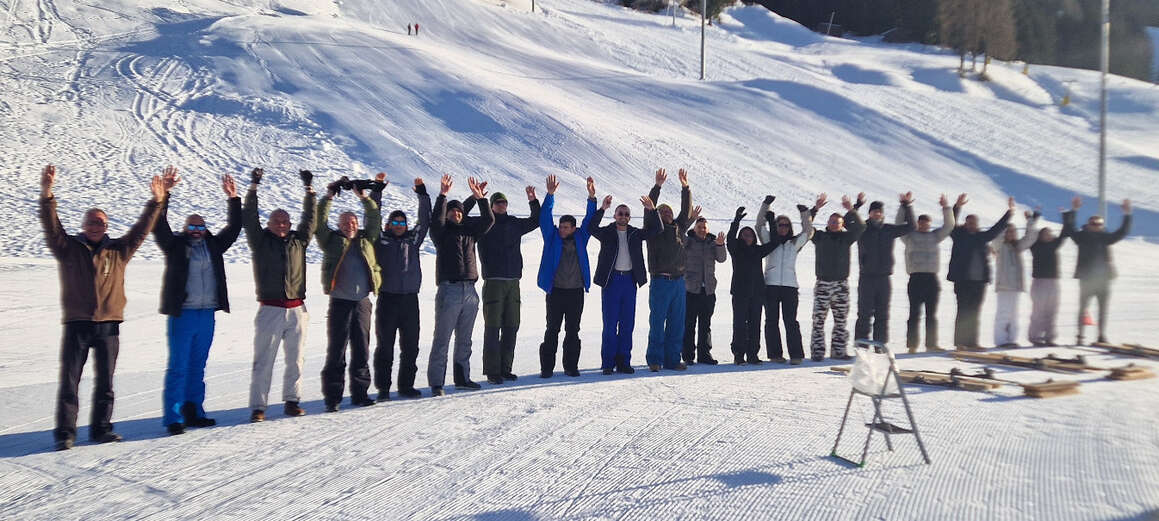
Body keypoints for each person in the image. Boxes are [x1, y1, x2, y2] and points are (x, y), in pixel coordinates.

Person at [40, 164, 165, 450]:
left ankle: (101, 429)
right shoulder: (68, 247)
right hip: (78, 323)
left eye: (101, 223)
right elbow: (51, 226)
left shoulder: (118, 251)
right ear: (83, 226)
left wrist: (156, 202)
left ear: (106, 227)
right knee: (70, 381)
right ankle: (66, 433)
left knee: (105, 383)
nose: (96, 226)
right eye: (92, 222)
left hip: (109, 324)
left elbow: (141, 230)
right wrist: (48, 194)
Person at [154, 169, 241, 435]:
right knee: (179, 366)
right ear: (185, 229)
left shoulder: (213, 245)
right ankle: (174, 417)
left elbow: (235, 228)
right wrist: (163, 196)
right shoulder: (175, 245)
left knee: (198, 366)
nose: (196, 230)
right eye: (192, 226)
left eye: (200, 226)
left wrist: (233, 198)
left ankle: (195, 411)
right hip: (183, 315)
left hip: (206, 315)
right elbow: (159, 225)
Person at [243, 168, 316, 423]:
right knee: (264, 360)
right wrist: (253, 188)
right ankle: (258, 406)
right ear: (269, 224)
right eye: (277, 221)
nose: (282, 225)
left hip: (297, 309)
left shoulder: (299, 241)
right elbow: (249, 218)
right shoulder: (260, 241)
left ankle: (292, 401)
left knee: (296, 359)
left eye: (285, 221)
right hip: (270, 309)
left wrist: (309, 191)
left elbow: (310, 219)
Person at [316, 176, 383, 411]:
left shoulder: (367, 240)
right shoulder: (331, 241)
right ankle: (333, 397)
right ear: (340, 225)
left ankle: (360, 394)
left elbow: (375, 219)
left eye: (352, 223)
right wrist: (328, 197)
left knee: (362, 350)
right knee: (337, 351)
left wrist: (364, 198)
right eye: (345, 223)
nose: (349, 226)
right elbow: (319, 222)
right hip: (340, 303)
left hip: (363, 302)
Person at [464, 184, 541, 385]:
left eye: (504, 202)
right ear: (491, 205)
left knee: (511, 326)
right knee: (492, 327)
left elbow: (536, 220)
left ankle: (506, 369)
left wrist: (533, 200)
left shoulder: (514, 223)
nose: (502, 205)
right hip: (494, 282)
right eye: (498, 202)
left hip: (513, 281)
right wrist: (474, 198)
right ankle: (492, 371)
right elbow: (460, 215)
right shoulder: (483, 223)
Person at [428, 175, 494, 395]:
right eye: (452, 211)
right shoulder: (441, 233)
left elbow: (488, 221)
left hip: (470, 291)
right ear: (447, 214)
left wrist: (480, 199)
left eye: (459, 212)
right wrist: (443, 195)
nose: (456, 214)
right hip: (450, 290)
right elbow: (435, 221)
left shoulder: (470, 233)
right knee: (442, 339)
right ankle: (437, 382)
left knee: (465, 339)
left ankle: (462, 378)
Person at [371, 175, 431, 400]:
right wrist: (377, 191)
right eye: (394, 223)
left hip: (409, 300)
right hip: (387, 299)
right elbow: (373, 217)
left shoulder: (412, 240)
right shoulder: (381, 239)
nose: (398, 226)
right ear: (388, 225)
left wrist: (422, 194)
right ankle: (384, 388)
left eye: (401, 223)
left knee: (411, 346)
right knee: (385, 346)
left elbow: (425, 221)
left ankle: (406, 385)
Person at [589, 186, 660, 374]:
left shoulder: (635, 233)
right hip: (611, 282)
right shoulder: (607, 232)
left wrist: (652, 210)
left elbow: (657, 229)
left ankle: (624, 362)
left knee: (627, 324)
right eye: (620, 213)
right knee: (610, 325)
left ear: (629, 217)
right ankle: (607, 363)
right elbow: (590, 227)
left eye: (626, 214)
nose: (623, 216)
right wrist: (602, 209)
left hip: (629, 282)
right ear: (615, 216)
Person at [537, 175, 597, 378]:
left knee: (573, 331)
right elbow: (544, 216)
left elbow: (590, 220)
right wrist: (550, 195)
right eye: (560, 226)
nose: (561, 229)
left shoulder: (581, 237)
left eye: (565, 227)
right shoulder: (551, 237)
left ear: (573, 228)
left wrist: (591, 197)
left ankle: (571, 366)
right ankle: (547, 368)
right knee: (552, 329)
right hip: (556, 292)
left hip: (575, 292)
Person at [947, 196, 1014, 350]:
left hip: (980, 282)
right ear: (965, 223)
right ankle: (960, 343)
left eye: (974, 223)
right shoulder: (958, 235)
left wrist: (1009, 212)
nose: (972, 225)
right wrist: (957, 206)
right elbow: (951, 222)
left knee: (975, 313)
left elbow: (997, 228)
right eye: (969, 222)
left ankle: (973, 342)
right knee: (963, 311)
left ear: (977, 225)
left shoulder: (981, 237)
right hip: (963, 281)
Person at [1063, 196, 1132, 345]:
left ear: (1102, 225)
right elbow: (1069, 228)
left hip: (1103, 279)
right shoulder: (1081, 237)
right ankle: (1080, 336)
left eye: (1099, 223)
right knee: (1083, 308)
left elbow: (1122, 232)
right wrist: (1074, 210)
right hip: (1086, 279)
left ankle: (1101, 335)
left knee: (1103, 309)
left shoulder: (1105, 237)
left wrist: (1127, 215)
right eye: (1093, 223)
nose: (1096, 225)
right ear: (1088, 224)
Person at [755, 196, 815, 364]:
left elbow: (808, 232)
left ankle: (796, 355)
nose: (783, 228)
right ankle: (775, 355)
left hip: (790, 287)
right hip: (771, 286)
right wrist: (765, 206)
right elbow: (759, 226)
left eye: (786, 225)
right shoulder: (768, 240)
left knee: (791, 321)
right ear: (775, 226)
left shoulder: (794, 243)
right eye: (780, 225)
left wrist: (805, 214)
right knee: (771, 321)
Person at [726, 207, 789, 365]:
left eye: (750, 235)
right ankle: (739, 355)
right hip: (740, 293)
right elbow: (730, 240)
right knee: (740, 324)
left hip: (757, 293)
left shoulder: (758, 250)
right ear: (740, 237)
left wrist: (771, 222)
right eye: (744, 235)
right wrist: (736, 221)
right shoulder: (736, 249)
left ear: (754, 238)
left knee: (755, 325)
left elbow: (774, 242)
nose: (747, 237)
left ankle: (753, 354)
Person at [645, 168, 693, 372]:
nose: (666, 214)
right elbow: (650, 211)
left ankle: (673, 359)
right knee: (657, 322)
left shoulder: (679, 227)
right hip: (660, 281)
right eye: (662, 211)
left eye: (668, 212)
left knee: (677, 323)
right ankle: (655, 359)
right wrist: (657, 187)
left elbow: (686, 211)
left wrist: (685, 187)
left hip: (678, 281)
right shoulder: (654, 228)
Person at [897, 194, 958, 352]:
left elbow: (949, 225)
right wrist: (904, 206)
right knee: (914, 314)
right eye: (921, 223)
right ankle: (912, 345)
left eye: (927, 223)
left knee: (932, 315)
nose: (924, 225)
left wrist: (946, 207)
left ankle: (931, 344)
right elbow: (899, 224)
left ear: (930, 224)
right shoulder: (909, 237)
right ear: (917, 223)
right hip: (915, 278)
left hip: (932, 279)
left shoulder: (935, 236)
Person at [809, 193, 866, 361]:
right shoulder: (819, 236)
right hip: (823, 283)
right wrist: (816, 209)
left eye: (838, 223)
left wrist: (851, 210)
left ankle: (838, 351)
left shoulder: (846, 238)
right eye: (832, 222)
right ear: (827, 223)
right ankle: (818, 352)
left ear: (843, 226)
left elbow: (861, 227)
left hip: (841, 284)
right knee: (819, 320)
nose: (834, 224)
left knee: (841, 320)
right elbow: (807, 227)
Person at [854, 193, 915, 344]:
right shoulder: (862, 228)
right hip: (867, 277)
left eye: (879, 211)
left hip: (884, 278)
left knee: (883, 314)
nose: (877, 213)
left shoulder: (888, 229)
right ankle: (861, 344)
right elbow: (847, 223)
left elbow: (911, 226)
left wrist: (906, 206)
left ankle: (880, 344)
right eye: (874, 211)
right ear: (869, 213)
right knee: (864, 313)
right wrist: (857, 206)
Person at [682, 212, 727, 365]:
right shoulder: (688, 241)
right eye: (699, 227)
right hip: (691, 290)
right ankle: (688, 355)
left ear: (708, 229)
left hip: (708, 290)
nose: (702, 230)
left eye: (704, 227)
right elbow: (679, 233)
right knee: (689, 324)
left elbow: (722, 259)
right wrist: (691, 220)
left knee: (705, 324)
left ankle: (704, 354)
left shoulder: (712, 243)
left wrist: (721, 245)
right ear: (695, 229)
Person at [991, 209, 1039, 348]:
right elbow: (996, 238)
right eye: (1008, 231)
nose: (1011, 234)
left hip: (1017, 287)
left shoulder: (1017, 246)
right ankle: (1001, 341)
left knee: (1014, 315)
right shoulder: (999, 247)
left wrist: (1030, 220)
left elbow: (1031, 237)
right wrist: (1005, 223)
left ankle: (1011, 339)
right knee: (1003, 314)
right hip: (1004, 286)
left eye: (1013, 231)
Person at [1027, 220, 1069, 346]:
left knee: (1052, 310)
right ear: (1040, 236)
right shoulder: (1035, 246)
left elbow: (1064, 234)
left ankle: (1050, 337)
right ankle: (1035, 337)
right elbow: (1030, 234)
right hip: (1039, 282)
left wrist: (1067, 215)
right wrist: (1031, 220)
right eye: (1045, 233)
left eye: (1050, 233)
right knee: (1038, 311)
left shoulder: (1054, 245)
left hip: (1053, 282)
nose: (1048, 235)